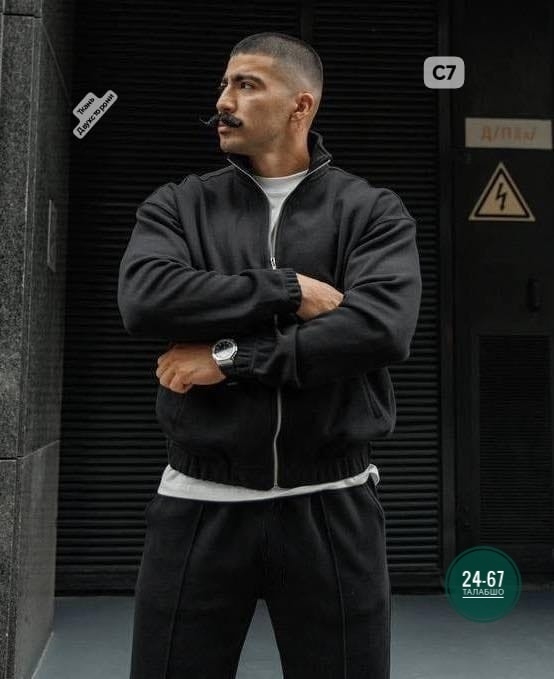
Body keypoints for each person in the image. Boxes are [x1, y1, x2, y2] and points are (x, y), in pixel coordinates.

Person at [118, 31, 421, 679]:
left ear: (300, 106)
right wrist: (288, 289)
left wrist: (229, 356)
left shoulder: (370, 211)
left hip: (331, 506)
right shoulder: (181, 204)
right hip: (200, 503)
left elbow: (379, 329)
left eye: (246, 85)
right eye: (224, 85)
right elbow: (146, 298)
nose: (223, 101)